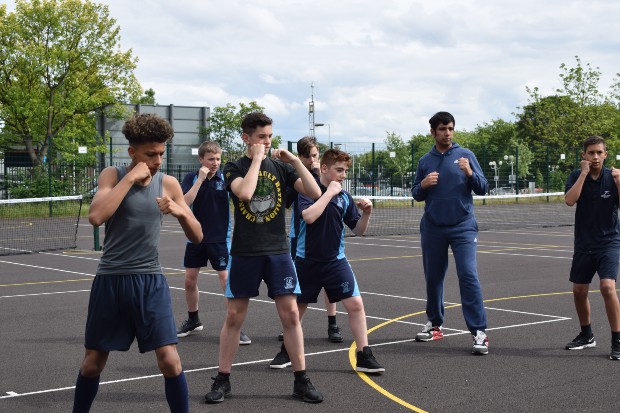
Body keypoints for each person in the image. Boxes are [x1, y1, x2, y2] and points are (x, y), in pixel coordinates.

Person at [72, 113, 203, 413]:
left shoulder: (168, 184)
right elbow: (96, 216)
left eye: (161, 153)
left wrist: (180, 212)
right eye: (150, 154)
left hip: (149, 280)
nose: (158, 160)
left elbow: (197, 236)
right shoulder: (112, 175)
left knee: (170, 360)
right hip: (111, 279)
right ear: (132, 153)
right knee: (93, 363)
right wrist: (130, 177)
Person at [204, 112, 324, 404]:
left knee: (291, 314)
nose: (267, 142)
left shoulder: (282, 168)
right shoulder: (234, 167)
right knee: (234, 317)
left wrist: (295, 161)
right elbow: (245, 193)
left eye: (270, 136)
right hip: (245, 252)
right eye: (261, 137)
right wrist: (257, 159)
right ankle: (223, 379)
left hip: (278, 251)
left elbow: (314, 190)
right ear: (247, 138)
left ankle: (301, 380)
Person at [269, 149, 385, 373]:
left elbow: (358, 230)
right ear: (324, 169)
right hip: (306, 261)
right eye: (338, 170)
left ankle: (364, 355)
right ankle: (286, 350)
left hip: (335, 262)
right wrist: (328, 194)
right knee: (296, 312)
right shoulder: (307, 189)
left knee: (356, 305)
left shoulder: (344, 197)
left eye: (345, 171)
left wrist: (367, 214)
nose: (343, 175)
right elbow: (309, 216)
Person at [411, 111, 489, 355]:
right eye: (443, 129)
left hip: (463, 226)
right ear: (432, 132)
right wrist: (423, 185)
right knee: (433, 277)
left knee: (468, 275)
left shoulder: (466, 155)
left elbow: (484, 188)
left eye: (451, 129)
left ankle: (479, 333)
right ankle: (435, 325)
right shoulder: (425, 161)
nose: (448, 133)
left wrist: (469, 173)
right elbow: (416, 193)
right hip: (433, 227)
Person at [176, 141, 251, 346]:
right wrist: (200, 180)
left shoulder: (226, 178)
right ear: (201, 160)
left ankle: (236, 326)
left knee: (226, 281)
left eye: (218, 159)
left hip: (220, 239)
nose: (215, 163)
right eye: (211, 159)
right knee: (190, 280)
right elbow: (184, 203)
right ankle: (193, 320)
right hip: (196, 237)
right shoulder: (191, 178)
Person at [278, 136, 343, 344]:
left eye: (316, 155)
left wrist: (317, 172)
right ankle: (292, 326)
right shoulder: (296, 177)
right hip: (300, 237)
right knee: (299, 286)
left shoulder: (324, 176)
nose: (313, 160)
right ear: (301, 157)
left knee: (330, 282)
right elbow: (287, 201)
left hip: (327, 236)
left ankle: (333, 324)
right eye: (309, 156)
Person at [564, 135, 620, 360]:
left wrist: (619, 183)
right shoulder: (577, 176)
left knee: (607, 287)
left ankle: (617, 340)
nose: (595, 157)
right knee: (579, 290)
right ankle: (586, 335)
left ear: (605, 154)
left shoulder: (613, 177)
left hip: (609, 242)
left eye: (599, 152)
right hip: (584, 244)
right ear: (583, 156)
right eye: (591, 153)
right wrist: (584, 174)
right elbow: (569, 200)